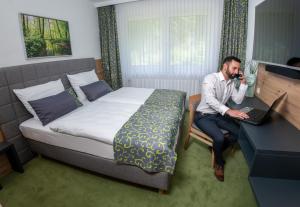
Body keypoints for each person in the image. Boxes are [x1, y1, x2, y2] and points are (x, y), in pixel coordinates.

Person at [195, 56, 249, 181]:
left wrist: (243, 85)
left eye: (238, 69)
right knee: (219, 137)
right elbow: (209, 99)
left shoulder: (230, 83)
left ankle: (216, 147)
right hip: (203, 116)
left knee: (239, 132)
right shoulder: (210, 78)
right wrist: (229, 111)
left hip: (218, 114)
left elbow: (238, 100)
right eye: (234, 68)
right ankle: (219, 163)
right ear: (225, 66)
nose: (236, 72)